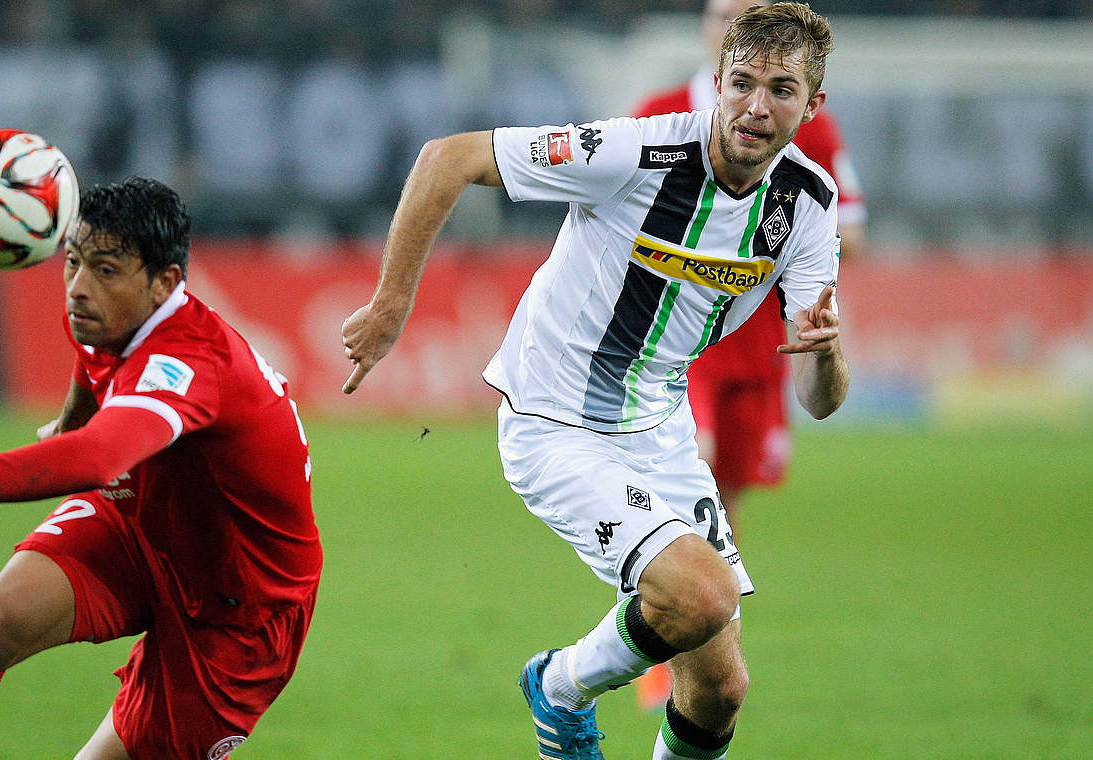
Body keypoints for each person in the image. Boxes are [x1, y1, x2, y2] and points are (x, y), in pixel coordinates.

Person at [340, 4, 847, 759]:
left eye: (780, 89)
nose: (755, 106)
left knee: (719, 691)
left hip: (659, 428)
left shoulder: (806, 207)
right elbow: (448, 157)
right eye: (740, 83)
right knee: (699, 595)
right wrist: (391, 303)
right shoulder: (637, 150)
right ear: (715, 83)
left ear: (812, 105)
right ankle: (560, 685)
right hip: (556, 420)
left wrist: (826, 355)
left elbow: (817, 398)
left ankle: (579, 688)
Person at [0, 177, 321, 760]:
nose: (78, 288)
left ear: (164, 284)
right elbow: (92, 373)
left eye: (105, 270)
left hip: (237, 607)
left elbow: (98, 459)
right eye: (72, 262)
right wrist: (71, 421)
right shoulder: (105, 316)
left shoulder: (191, 362)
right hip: (137, 526)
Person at [634, 0, 866, 531]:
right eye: (722, 16)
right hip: (672, 336)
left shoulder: (809, 128)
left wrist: (779, 259)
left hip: (758, 340)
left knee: (721, 508)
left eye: (751, 13)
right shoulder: (660, 112)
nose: (732, 27)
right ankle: (671, 603)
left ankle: (698, 609)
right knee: (686, 474)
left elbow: (848, 232)